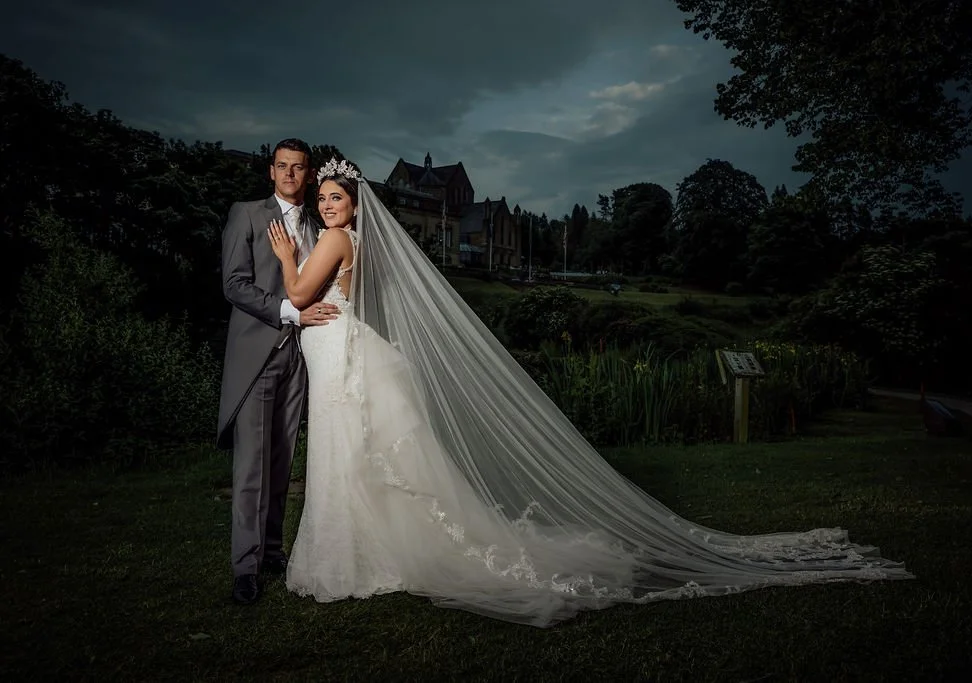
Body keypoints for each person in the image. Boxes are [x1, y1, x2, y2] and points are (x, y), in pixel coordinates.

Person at [267, 156, 913, 627]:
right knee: (350, 454)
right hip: (340, 350)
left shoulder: (333, 239)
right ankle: (361, 552)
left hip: (341, 353)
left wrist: (285, 257)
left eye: (335, 196)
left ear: (354, 202)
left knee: (349, 452)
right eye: (321, 197)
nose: (326, 204)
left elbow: (299, 295)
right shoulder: (350, 239)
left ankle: (357, 557)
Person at [217, 139, 341, 605]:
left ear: (309, 175)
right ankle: (244, 569)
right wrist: (291, 312)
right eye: (282, 166)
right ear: (271, 171)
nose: (290, 174)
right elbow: (234, 284)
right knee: (251, 465)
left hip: (303, 357)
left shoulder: (318, 221)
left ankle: (272, 550)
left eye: (299, 168)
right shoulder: (245, 214)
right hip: (258, 354)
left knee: (282, 460)